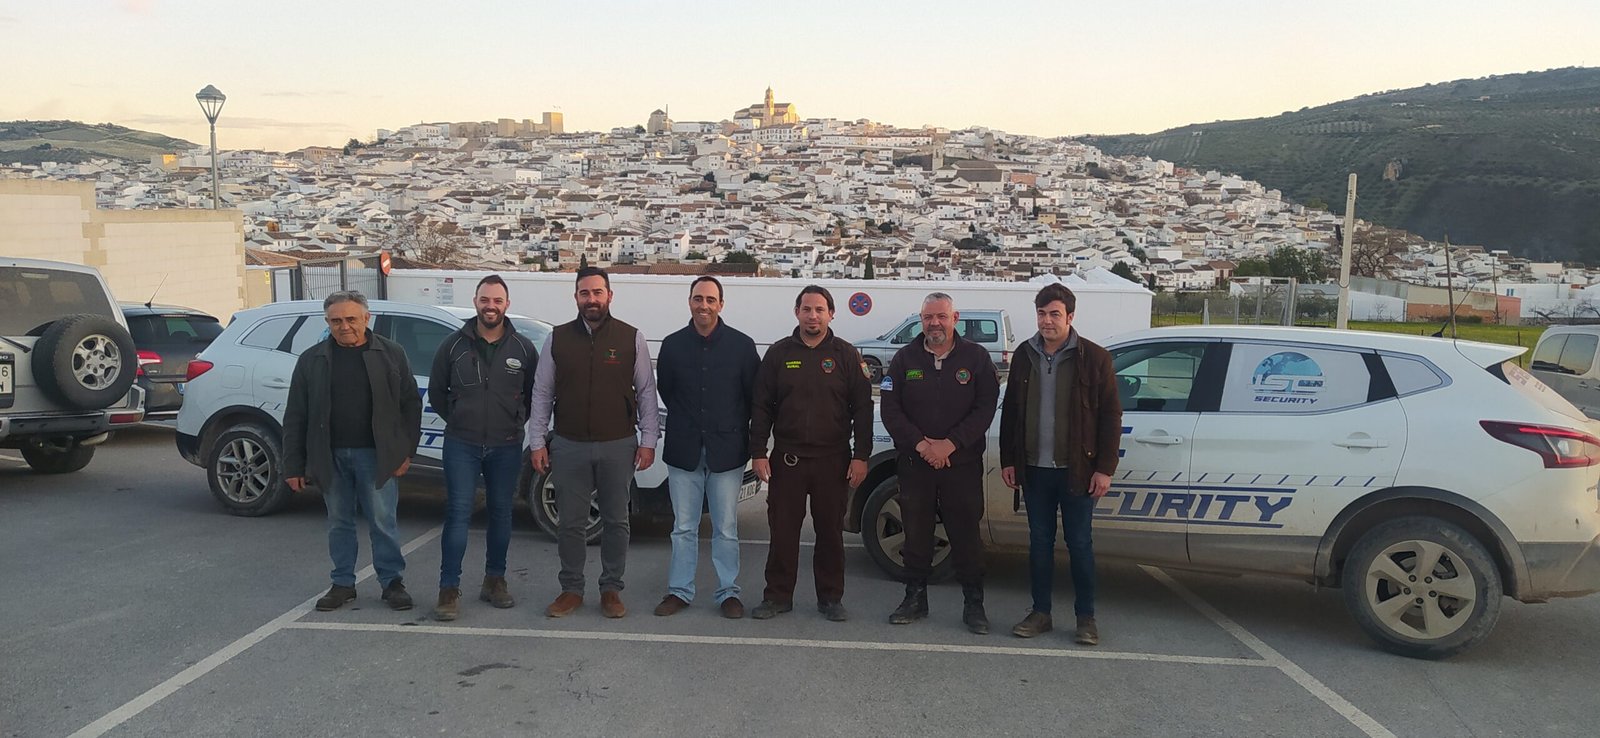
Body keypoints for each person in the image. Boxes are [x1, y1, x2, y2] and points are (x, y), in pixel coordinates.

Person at [528, 267, 660, 619]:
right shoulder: (557, 339)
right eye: (584, 293)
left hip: (619, 444)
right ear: (576, 297)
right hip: (568, 444)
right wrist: (537, 441)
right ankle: (571, 589)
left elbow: (646, 392)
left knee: (617, 521)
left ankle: (611, 590)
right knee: (570, 523)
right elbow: (542, 392)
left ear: (609, 296)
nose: (591, 299)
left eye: (597, 292)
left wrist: (648, 440)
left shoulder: (631, 338)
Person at [998, 283, 1122, 646]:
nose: (1047, 321)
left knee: (1080, 543)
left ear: (1070, 316)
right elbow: (1011, 412)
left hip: (1078, 470)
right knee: (1039, 543)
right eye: (1041, 313)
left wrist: (1105, 468)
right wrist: (1009, 460)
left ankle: (1086, 618)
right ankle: (1041, 613)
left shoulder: (1095, 358)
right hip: (1035, 470)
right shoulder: (1024, 355)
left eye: (1054, 314)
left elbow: (1111, 416)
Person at [283, 290, 422, 613]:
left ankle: (392, 582)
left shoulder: (391, 354)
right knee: (339, 523)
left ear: (366, 318)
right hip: (330, 456)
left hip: (377, 456)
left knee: (383, 522)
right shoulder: (312, 360)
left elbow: (410, 405)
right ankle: (343, 583)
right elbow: (296, 415)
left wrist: (406, 452)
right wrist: (293, 465)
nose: (344, 326)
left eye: (350, 319)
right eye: (335, 321)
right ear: (327, 322)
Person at [749, 285, 872, 622]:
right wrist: (758, 452)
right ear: (797, 313)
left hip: (833, 460)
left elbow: (863, 408)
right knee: (783, 532)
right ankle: (777, 596)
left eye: (819, 309)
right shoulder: (778, 353)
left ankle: (830, 598)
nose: (813, 316)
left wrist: (861, 456)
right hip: (787, 460)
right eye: (806, 309)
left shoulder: (846, 355)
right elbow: (761, 406)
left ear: (831, 314)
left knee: (830, 533)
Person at [879, 292, 999, 634]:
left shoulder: (976, 358)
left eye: (941, 317)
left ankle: (974, 604)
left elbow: (985, 407)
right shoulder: (904, 359)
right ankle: (914, 598)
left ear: (954, 318)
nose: (934, 323)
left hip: (960, 465)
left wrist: (950, 444)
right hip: (915, 463)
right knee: (916, 533)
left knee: (965, 535)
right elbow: (890, 409)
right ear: (921, 320)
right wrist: (921, 445)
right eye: (928, 317)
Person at [427, 274, 541, 621]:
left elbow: (535, 394)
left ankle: (495, 580)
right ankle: (448, 588)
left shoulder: (524, 348)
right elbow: (437, 392)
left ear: (507, 304)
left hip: (506, 445)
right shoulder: (453, 345)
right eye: (485, 300)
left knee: (501, 514)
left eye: (497, 301)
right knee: (458, 514)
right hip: (461, 444)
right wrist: (459, 418)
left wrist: (514, 421)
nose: (491, 306)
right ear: (475, 301)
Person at [652, 276, 761, 619]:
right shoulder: (672, 345)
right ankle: (679, 591)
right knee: (683, 527)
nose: (704, 305)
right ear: (689, 302)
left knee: (725, 528)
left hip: (727, 450)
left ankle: (728, 592)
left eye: (711, 299)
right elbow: (667, 390)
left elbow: (752, 397)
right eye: (698, 298)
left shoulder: (742, 346)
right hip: (684, 448)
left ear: (721, 304)